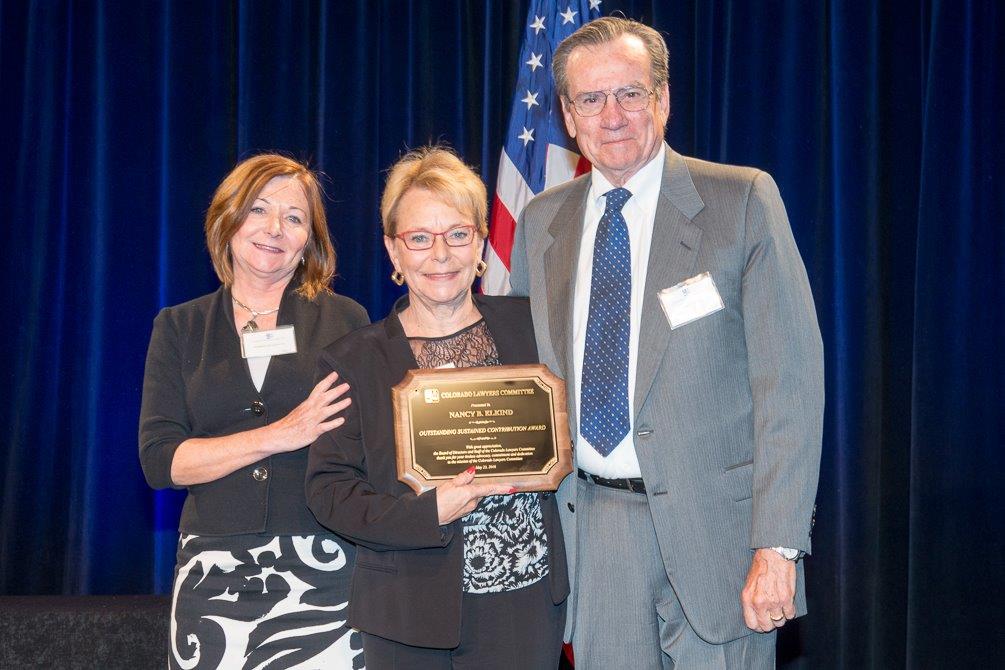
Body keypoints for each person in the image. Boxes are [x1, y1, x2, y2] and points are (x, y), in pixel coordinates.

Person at [509, 17, 824, 670]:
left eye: (629, 92)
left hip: (723, 539)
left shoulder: (739, 200)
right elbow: (525, 385)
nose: (613, 115)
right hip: (595, 534)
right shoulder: (541, 223)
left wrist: (777, 548)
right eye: (590, 99)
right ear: (567, 116)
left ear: (663, 98)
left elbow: (788, 385)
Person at [305, 146, 568, 669]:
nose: (440, 254)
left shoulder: (534, 328)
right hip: (409, 612)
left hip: (526, 604)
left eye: (457, 234)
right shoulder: (353, 360)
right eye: (419, 239)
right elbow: (328, 491)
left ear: (481, 246)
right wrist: (428, 512)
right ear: (393, 253)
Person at [139, 154, 369, 669]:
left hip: (324, 567)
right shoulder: (179, 327)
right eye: (259, 210)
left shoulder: (344, 320)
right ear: (229, 218)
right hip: (213, 577)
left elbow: (366, 446)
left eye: (294, 217)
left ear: (309, 238)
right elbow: (161, 461)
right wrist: (280, 433)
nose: (274, 229)